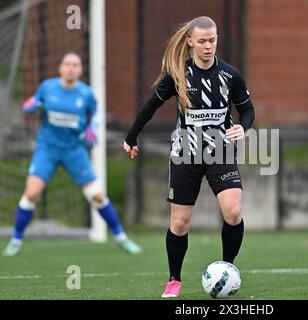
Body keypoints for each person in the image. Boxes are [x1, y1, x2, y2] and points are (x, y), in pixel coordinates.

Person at [123, 16, 255, 298]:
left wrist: (242, 128)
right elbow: (150, 107)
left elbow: (248, 111)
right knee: (180, 223)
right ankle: (174, 280)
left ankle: (226, 270)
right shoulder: (178, 75)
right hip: (186, 153)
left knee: (233, 212)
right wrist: (131, 137)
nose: (209, 46)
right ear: (191, 42)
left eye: (213, 40)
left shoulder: (230, 76)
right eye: (203, 41)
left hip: (220, 152)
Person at [2, 52, 142, 256]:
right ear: (60, 68)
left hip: (74, 150)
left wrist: (92, 129)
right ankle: (15, 240)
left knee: (97, 196)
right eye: (67, 64)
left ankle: (121, 237)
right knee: (31, 193)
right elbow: (29, 104)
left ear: (80, 70)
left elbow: (95, 114)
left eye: (75, 64)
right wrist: (31, 106)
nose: (70, 68)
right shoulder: (48, 87)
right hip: (47, 148)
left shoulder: (85, 93)